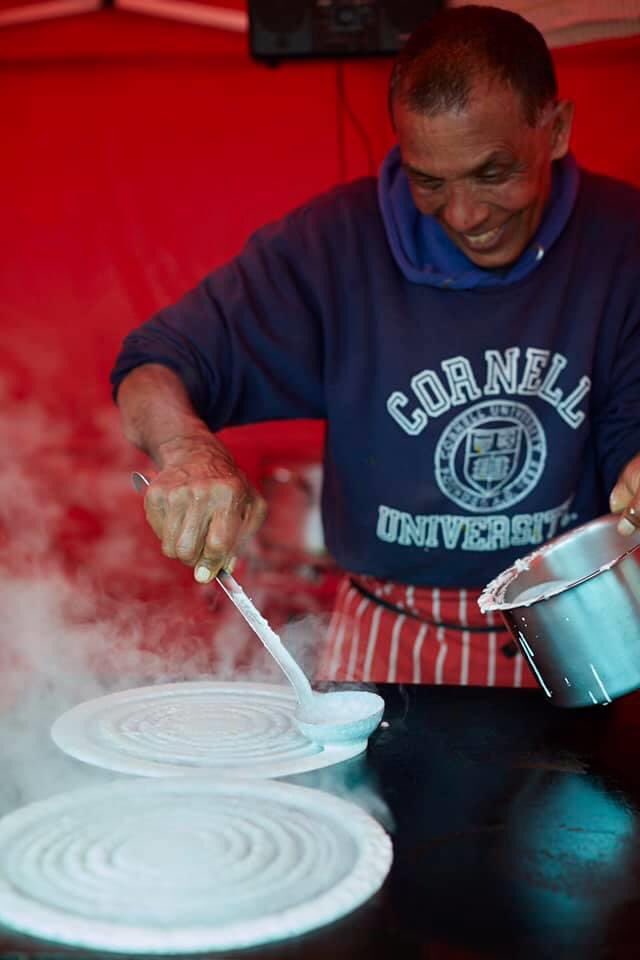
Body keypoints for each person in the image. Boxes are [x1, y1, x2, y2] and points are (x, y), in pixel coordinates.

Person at [111, 5, 640, 690]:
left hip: (580, 625)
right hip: (390, 634)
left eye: (493, 173)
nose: (464, 215)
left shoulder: (622, 242)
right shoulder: (335, 245)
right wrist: (189, 450)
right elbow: (152, 364)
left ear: (557, 129)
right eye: (429, 181)